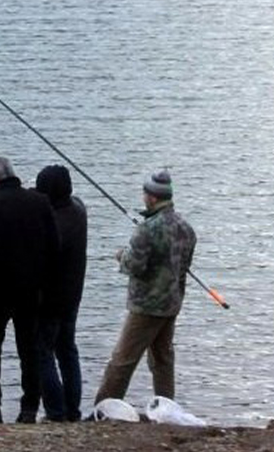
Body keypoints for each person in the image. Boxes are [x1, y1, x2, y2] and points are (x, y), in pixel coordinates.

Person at [93, 170, 196, 405]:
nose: (143, 196)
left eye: (144, 193)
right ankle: (166, 406)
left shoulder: (146, 229)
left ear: (151, 197)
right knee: (162, 359)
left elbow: (133, 266)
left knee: (122, 360)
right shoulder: (186, 228)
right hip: (172, 303)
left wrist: (121, 255)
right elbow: (184, 266)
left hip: (146, 307)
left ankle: (104, 407)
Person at [0, 156, 59, 424]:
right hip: (30, 289)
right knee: (29, 350)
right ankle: (29, 408)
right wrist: (46, 283)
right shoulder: (40, 202)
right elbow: (53, 247)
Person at [34, 165, 88, 422]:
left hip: (49, 300)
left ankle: (55, 412)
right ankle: (73, 410)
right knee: (67, 350)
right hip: (72, 295)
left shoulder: (51, 224)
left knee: (42, 353)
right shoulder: (78, 210)